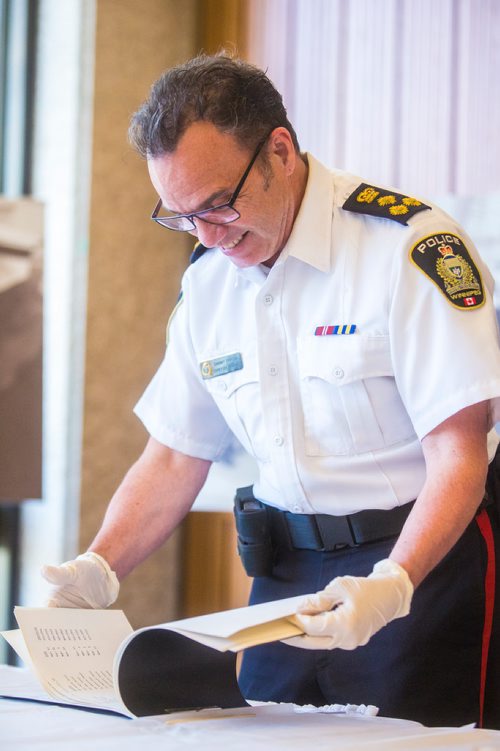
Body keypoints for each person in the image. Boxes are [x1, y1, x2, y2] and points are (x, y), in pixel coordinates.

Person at [41, 53, 500, 728]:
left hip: (421, 567)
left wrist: (394, 584)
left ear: (279, 151)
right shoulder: (208, 282)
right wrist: (98, 566)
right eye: (180, 215)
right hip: (285, 583)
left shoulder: (407, 250)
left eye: (219, 204)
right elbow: (173, 456)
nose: (205, 234)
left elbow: (459, 455)